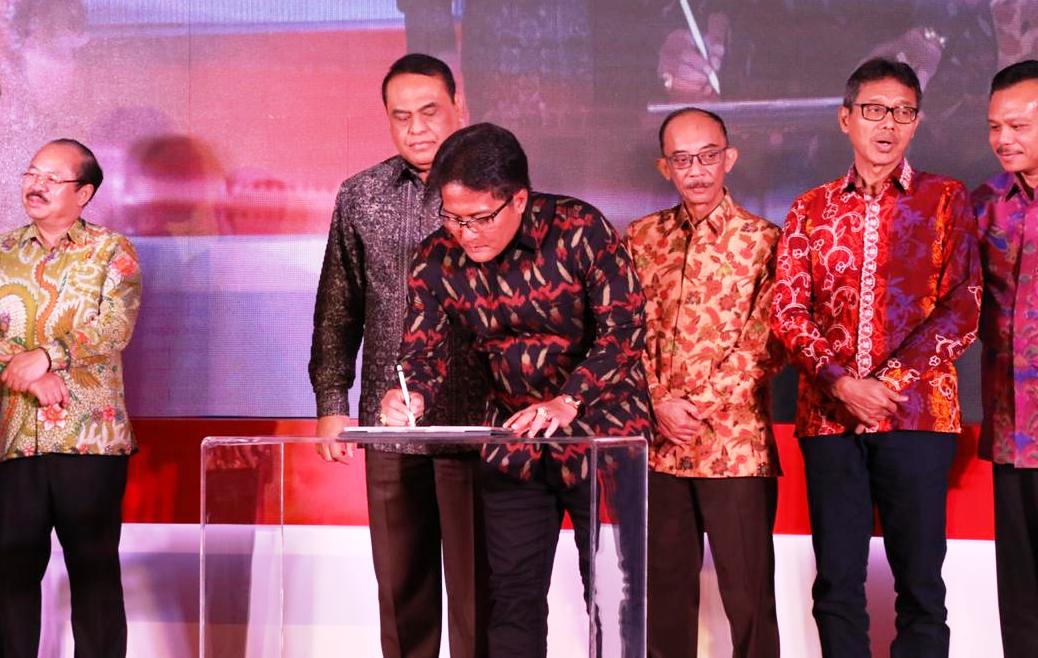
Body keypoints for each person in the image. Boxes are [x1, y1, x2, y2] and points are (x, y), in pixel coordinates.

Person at [379, 122, 653, 658]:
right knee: (510, 600)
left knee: (617, 599)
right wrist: (410, 394)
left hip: (604, 439)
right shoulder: (436, 257)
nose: (467, 234)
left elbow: (625, 329)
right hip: (516, 443)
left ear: (519, 199)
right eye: (453, 218)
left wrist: (568, 398)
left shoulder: (579, 229)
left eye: (481, 218)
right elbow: (423, 352)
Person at [770, 58, 981, 658]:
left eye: (903, 112)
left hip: (917, 417)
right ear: (846, 118)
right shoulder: (809, 208)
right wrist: (842, 384)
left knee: (921, 586)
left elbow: (963, 305)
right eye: (874, 110)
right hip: (829, 421)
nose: (888, 124)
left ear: (916, 122)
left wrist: (884, 385)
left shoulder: (945, 199)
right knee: (837, 585)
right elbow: (788, 310)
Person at [308, 53, 488, 658]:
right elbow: (338, 305)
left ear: (458, 107)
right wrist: (331, 401)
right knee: (400, 588)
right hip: (389, 424)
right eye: (401, 116)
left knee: (479, 591)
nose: (416, 128)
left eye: (429, 111)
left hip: (479, 419)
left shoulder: (495, 190)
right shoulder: (361, 195)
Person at [624, 107, 782, 657]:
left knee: (750, 601)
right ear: (664, 166)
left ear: (728, 158)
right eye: (682, 160)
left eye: (707, 156)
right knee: (663, 602)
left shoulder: (764, 241)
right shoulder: (641, 238)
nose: (696, 170)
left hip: (735, 448)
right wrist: (658, 401)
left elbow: (769, 341)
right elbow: (622, 331)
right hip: (659, 449)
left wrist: (696, 406)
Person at [0, 139, 141, 658]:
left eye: (51, 178)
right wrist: (30, 374)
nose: (36, 185)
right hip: (14, 436)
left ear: (84, 193)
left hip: (90, 437)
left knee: (94, 572)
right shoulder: (3, 251)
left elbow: (114, 327)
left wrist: (47, 356)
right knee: (10, 572)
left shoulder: (111, 251)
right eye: (31, 174)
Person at [972, 58, 1038, 658]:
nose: (1003, 139)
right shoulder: (985, 204)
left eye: (1018, 125)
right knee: (1020, 602)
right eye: (995, 126)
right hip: (1012, 432)